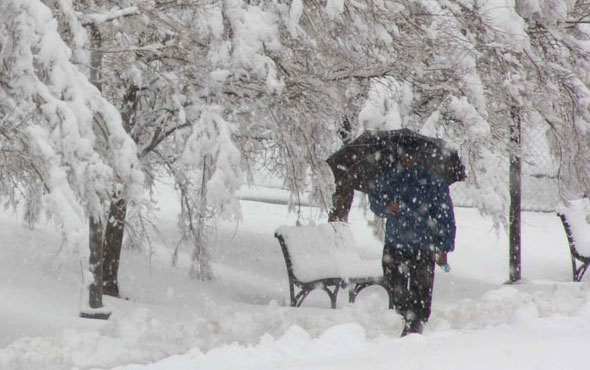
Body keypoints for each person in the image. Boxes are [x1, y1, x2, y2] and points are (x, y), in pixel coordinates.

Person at [368, 147, 456, 336]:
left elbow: (445, 214)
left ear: (419, 155)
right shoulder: (390, 174)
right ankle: (408, 316)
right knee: (394, 283)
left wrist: (444, 247)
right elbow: (375, 197)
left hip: (423, 245)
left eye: (411, 154)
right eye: (404, 154)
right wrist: (386, 207)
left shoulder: (432, 178)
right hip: (395, 242)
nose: (407, 158)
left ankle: (416, 323)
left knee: (421, 289)